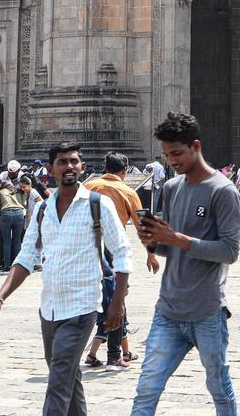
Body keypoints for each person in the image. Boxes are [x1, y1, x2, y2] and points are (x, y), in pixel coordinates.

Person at [0, 142, 131, 416]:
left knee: (58, 381)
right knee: (65, 375)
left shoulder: (97, 205)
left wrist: (118, 303)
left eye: (74, 161)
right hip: (50, 310)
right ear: (50, 169)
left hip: (82, 307)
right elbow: (26, 257)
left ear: (83, 167)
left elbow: (122, 254)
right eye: (62, 162)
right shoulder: (43, 210)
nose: (69, 167)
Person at [131, 111, 240, 416]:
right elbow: (170, 248)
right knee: (146, 388)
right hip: (168, 309)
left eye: (177, 153)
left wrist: (177, 238)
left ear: (196, 146)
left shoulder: (223, 191)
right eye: (167, 155)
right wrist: (152, 241)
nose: (172, 161)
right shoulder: (171, 188)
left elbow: (230, 251)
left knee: (218, 386)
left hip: (206, 311)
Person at [84, 151, 143, 369]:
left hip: (86, 250)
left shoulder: (87, 187)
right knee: (116, 302)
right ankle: (114, 355)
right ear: (124, 170)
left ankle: (102, 352)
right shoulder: (127, 191)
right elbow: (142, 226)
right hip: (114, 253)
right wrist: (153, 254)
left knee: (99, 302)